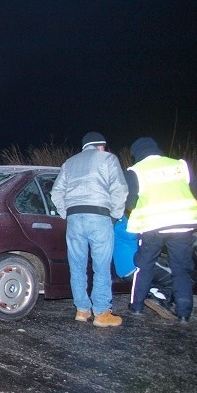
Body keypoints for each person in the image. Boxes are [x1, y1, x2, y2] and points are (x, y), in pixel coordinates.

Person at [50, 131, 128, 327]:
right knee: (101, 266)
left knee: (77, 265)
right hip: (99, 216)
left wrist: (65, 212)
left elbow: (56, 191)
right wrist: (115, 214)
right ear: (100, 145)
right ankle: (101, 313)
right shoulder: (108, 159)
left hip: (75, 218)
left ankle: (82, 310)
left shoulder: (69, 163)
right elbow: (120, 188)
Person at [125, 137, 197, 323]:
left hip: (153, 225)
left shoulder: (136, 171)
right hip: (184, 223)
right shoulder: (181, 165)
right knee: (180, 269)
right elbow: (195, 190)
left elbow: (130, 202)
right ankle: (183, 313)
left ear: (137, 154)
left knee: (144, 265)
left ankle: (137, 307)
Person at [113, 214, 175, 320]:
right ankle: (159, 296)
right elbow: (134, 235)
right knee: (177, 275)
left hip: (122, 271)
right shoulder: (125, 222)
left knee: (155, 274)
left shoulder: (112, 223)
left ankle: (151, 292)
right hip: (135, 264)